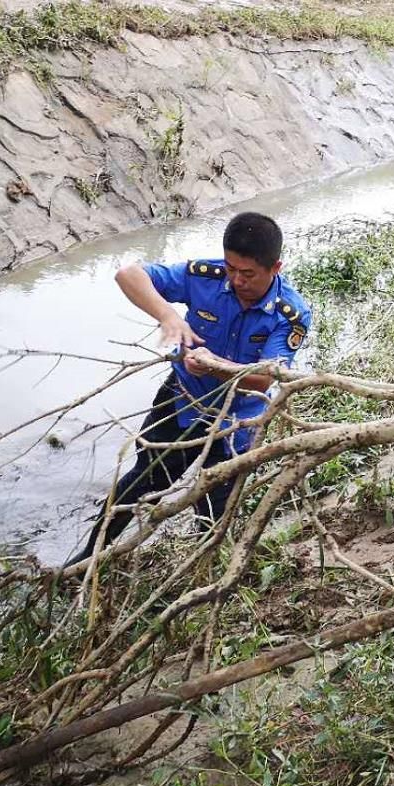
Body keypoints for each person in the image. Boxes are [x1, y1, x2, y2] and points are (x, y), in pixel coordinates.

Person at [68, 212, 312, 566]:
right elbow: (128, 274)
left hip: (237, 418)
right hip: (183, 397)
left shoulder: (290, 314)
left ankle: (202, 569)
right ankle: (89, 559)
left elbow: (264, 378)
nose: (237, 280)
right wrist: (169, 316)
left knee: (214, 499)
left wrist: (214, 365)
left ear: (275, 268)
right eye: (231, 269)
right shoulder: (205, 277)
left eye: (248, 274)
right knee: (146, 479)